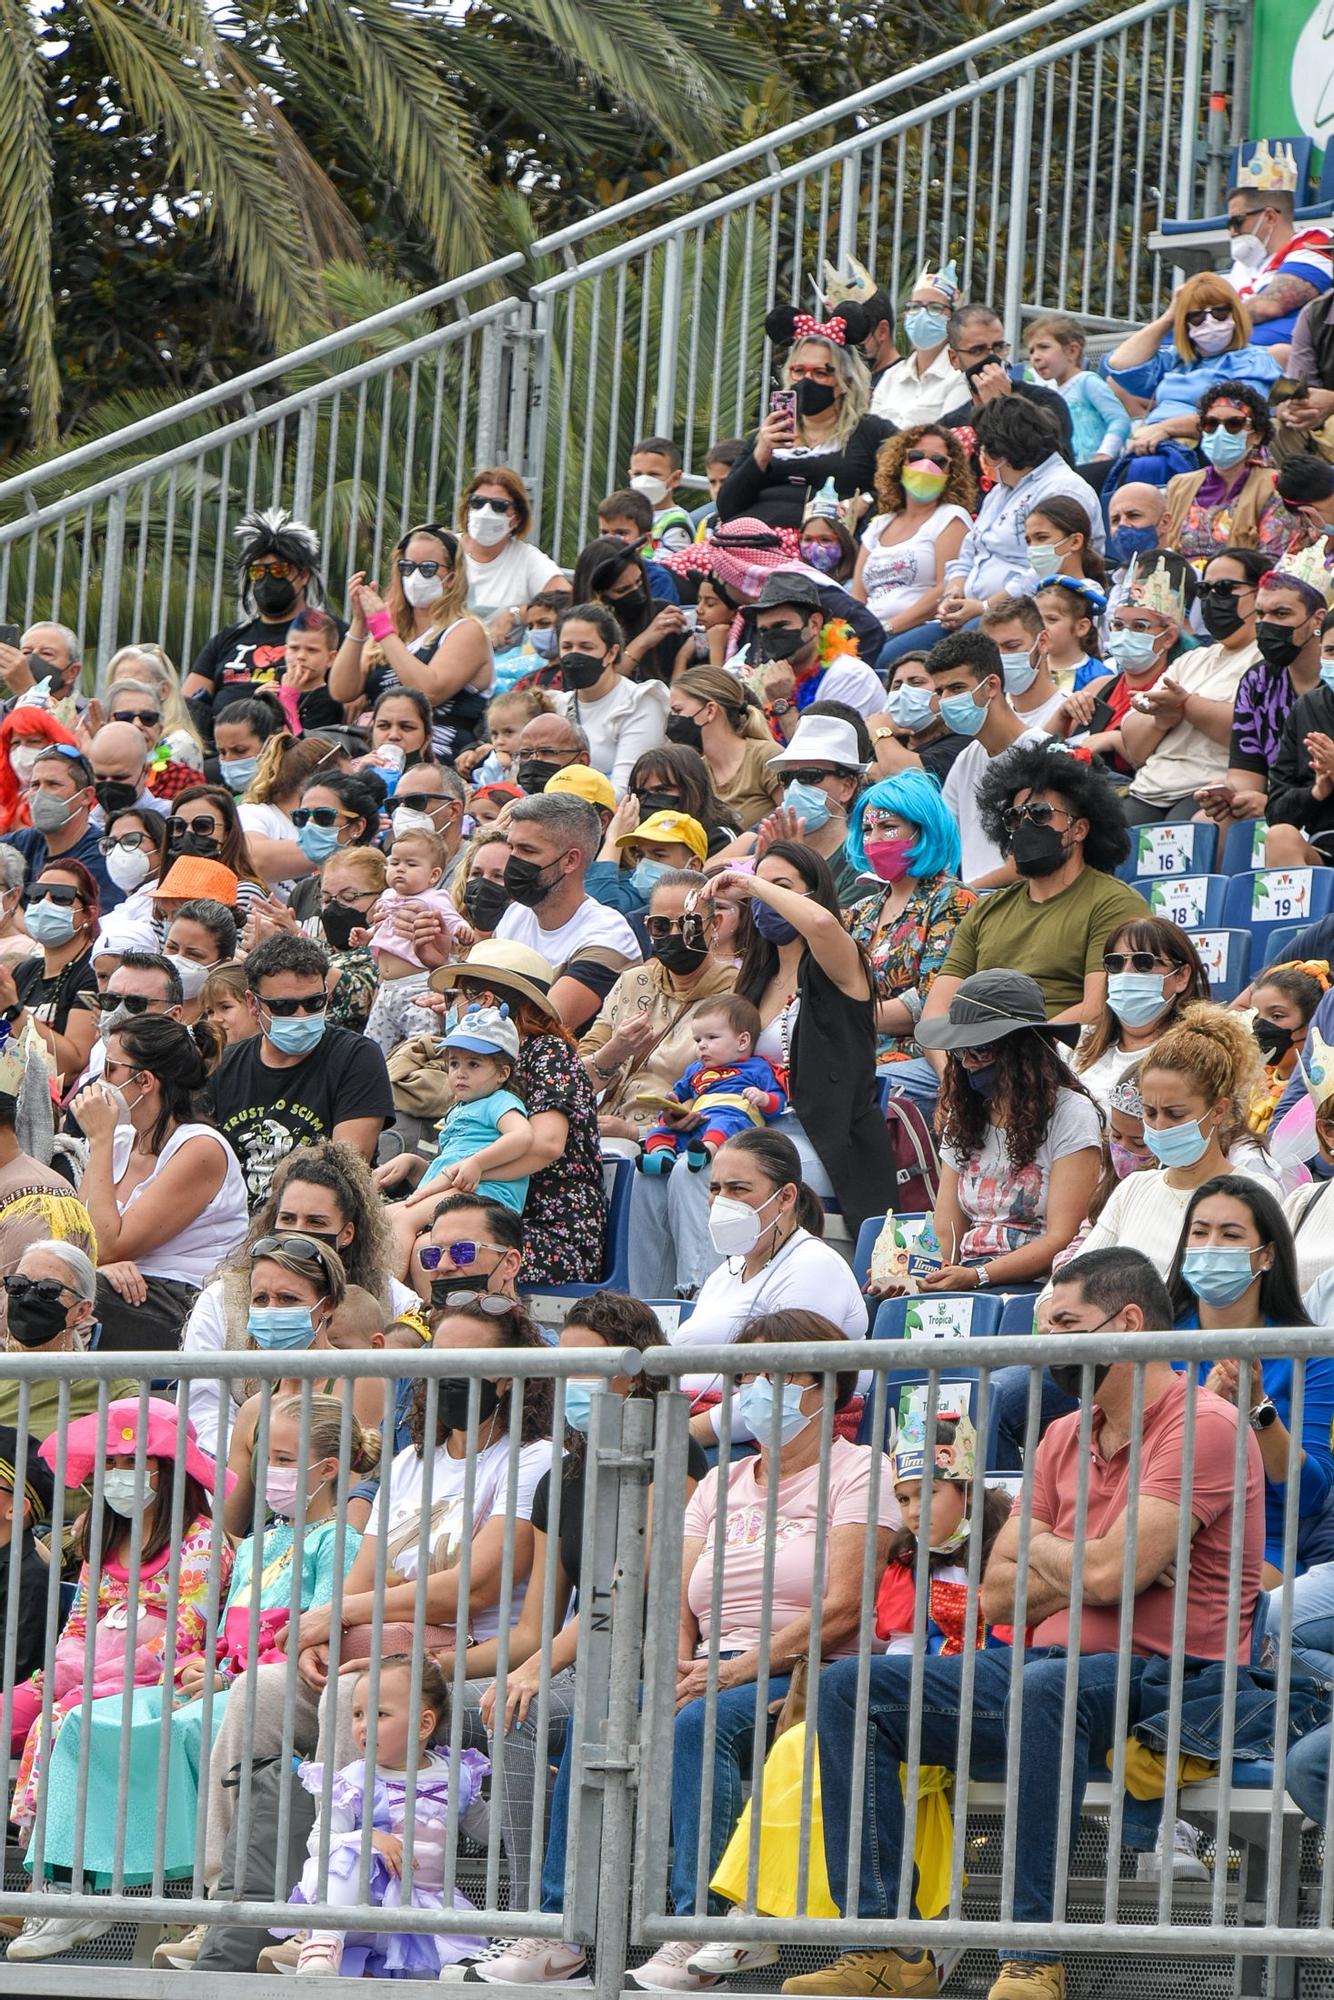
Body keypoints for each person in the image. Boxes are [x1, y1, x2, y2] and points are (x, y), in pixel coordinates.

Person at [794, 1245, 1263, 2000]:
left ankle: (1032, 1951)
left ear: (1129, 1323)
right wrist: (1093, 1563)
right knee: (854, 1688)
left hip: (1173, 1683)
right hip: (1045, 1672)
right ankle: (880, 1949)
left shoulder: (1201, 1425)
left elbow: (1101, 1575)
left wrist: (1060, 1562)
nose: (1045, 1345)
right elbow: (1000, 1596)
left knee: (1049, 1686)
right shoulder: (1060, 1436)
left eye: (1065, 1325)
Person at [626, 1312, 898, 1995]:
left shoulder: (862, 1470)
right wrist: (676, 1668)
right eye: (748, 1375)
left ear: (826, 1388)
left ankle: (699, 1924)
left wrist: (734, 1671)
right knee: (610, 1713)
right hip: (711, 1663)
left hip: (805, 1669)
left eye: (781, 1374)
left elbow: (842, 1607)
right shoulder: (720, 1482)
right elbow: (673, 1599)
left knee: (698, 1723)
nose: (758, 1389)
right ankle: (563, 1921)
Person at [470, 1293, 708, 1958]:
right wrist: (424, 1675)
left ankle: (542, 1922)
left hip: (642, 1657)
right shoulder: (562, 1475)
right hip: (581, 1657)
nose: (573, 1382)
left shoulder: (674, 1452)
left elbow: (633, 1588)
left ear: (632, 1371)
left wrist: (535, 1668)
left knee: (524, 1705)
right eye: (565, 1366)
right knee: (394, 1699)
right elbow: (532, 1625)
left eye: (589, 1366)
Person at [6, 1398, 234, 1963]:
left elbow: (184, 1634)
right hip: (87, 1678)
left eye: (133, 1462)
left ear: (169, 1469)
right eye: (109, 1464)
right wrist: (65, 1673)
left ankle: (70, 1891)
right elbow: (79, 1622)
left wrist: (97, 1679)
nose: (117, 1477)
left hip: (165, 1684)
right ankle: (52, 1884)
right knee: (35, 1714)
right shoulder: (102, 1543)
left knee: (64, 1724)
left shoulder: (206, 1543)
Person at [180, 1139, 417, 1456]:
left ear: (347, 1233)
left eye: (316, 1222)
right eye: (288, 1219)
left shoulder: (390, 1295)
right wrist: (254, 1459)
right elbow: (203, 1408)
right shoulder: (222, 1297)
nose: (298, 1232)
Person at [404, 941, 607, 1286]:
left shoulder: (548, 1052)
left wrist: (467, 1182)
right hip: (488, 1214)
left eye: (455, 996)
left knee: (432, 1248)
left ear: (483, 1001)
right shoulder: (474, 1066)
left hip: (550, 1228)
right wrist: (418, 1168)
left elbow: (547, 1146)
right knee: (423, 1239)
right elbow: (463, 1162)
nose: (448, 1006)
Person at [1168, 1175, 1334, 1581]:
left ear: (1267, 1255)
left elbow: (1309, 1496)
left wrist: (1257, 1411)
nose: (1210, 1246)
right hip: (1162, 1531)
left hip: (1261, 1543)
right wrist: (1203, 1411)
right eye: (1200, 1232)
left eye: (1230, 1235)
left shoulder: (1310, 1352)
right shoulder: (1151, 1343)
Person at [279, 1656, 486, 1978]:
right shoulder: (353, 1780)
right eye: (358, 1714)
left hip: (426, 1908)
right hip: (365, 1911)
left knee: (456, 1969)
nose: (362, 1726)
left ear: (423, 1725)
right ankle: (323, 1943)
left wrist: (527, 1784)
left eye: (379, 1714)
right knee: (349, 1852)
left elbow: (490, 1833)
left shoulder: (458, 1775)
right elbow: (318, 1842)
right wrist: (368, 1837)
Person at [926, 741, 1148, 1024]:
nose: (1025, 825)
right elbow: (935, 1014)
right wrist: (950, 1066)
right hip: (970, 1056)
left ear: (1078, 829)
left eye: (1041, 814)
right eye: (1015, 817)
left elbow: (1096, 1010)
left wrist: (1015, 1051)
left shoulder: (1114, 903)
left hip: (1057, 1056)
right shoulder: (986, 909)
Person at [914, 971, 1102, 1289]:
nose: (969, 1063)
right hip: (968, 1278)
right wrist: (916, 1277)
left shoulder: (1072, 1114)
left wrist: (979, 1275)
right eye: (960, 1051)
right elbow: (946, 1233)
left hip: (1037, 1285)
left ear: (1022, 1051)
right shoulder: (964, 1115)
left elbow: (1063, 1238)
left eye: (981, 1050)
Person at [70, 1012, 246, 1349]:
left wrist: (100, 1140)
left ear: (145, 1081)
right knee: (37, 1283)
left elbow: (106, 1247)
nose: (98, 1080)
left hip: (185, 1302)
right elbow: (77, 1240)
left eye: (110, 1069)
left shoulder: (201, 1148)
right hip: (117, 1288)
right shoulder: (121, 1140)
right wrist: (104, 1268)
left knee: (55, 1295)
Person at [1065, 1003, 1277, 1281]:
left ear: (1218, 1111)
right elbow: (1074, 1279)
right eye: (1149, 1112)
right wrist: (1048, 1303)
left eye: (1175, 1114)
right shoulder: (1133, 1189)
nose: (1159, 1126)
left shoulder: (1256, 1192)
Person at [208, 934, 393, 1208]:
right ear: (252, 1003)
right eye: (284, 1006)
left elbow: (348, 1164)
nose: (302, 1016)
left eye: (314, 1003)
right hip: (232, 1221)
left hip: (315, 1216)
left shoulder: (357, 1056)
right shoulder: (225, 1065)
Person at [580, 870, 737, 1150]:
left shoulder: (734, 995)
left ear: (716, 925)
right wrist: (613, 1053)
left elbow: (723, 1094)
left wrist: (635, 1132)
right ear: (648, 927)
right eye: (662, 927)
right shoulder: (633, 981)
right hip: (599, 1124)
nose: (676, 935)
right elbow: (577, 1075)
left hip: (666, 1142)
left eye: (689, 925)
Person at [842, 770, 975, 1097]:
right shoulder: (862, 910)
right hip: (854, 1055)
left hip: (921, 1057)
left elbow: (931, 1003)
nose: (873, 840)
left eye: (888, 827)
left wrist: (846, 1016)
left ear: (923, 830)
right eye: (868, 829)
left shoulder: (953, 900)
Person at [931, 401, 1104, 648]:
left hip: (1025, 612)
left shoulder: (1064, 489)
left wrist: (985, 606)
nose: (984, 460)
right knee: (894, 654)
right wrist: (954, 591)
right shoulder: (1000, 491)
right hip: (971, 609)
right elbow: (971, 548)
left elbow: (1050, 566)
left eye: (987, 451)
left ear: (1007, 451)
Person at [718, 302, 895, 530]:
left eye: (820, 373)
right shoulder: (767, 435)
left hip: (819, 547)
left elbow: (907, 480)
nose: (806, 381)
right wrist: (761, 452)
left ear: (844, 381)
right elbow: (727, 506)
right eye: (799, 371)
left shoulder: (870, 433)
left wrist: (866, 501)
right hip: (750, 539)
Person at [1113, 553, 1258, 825]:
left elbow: (1250, 733)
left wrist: (1186, 705)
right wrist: (1162, 719)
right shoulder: (1193, 659)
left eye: (1225, 588)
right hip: (1150, 788)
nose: (1214, 598)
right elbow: (1135, 749)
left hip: (1208, 789)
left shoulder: (1267, 658)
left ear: (1259, 593)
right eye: (1205, 590)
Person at [329, 523, 493, 761]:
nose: (415, 576)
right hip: (378, 752)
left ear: (451, 578)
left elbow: (427, 692)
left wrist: (383, 629)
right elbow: (342, 690)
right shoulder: (390, 633)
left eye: (427, 568)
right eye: (407, 567)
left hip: (440, 756)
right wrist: (360, 624)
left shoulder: (467, 630)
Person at [1102, 277, 1282, 488]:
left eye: (1219, 312)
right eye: (1196, 316)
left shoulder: (1254, 360)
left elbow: (1238, 416)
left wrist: (1165, 428)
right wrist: (1169, 317)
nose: (1210, 322)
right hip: (1152, 444)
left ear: (1236, 314)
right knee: (1087, 479)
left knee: (1142, 474)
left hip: (1206, 447)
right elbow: (1120, 363)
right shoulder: (1175, 360)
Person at [491, 794, 640, 1034]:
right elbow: (477, 985)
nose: (513, 861)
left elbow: (544, 1023)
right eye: (512, 848)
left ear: (570, 860)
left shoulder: (609, 935)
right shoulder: (515, 913)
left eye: (527, 850)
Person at [1218, 539, 1332, 829]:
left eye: (1281, 614)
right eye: (1260, 614)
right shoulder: (1257, 681)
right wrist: (1231, 796)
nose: (1266, 624)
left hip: (1321, 808)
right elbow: (1246, 772)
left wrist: (1268, 802)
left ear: (1317, 619)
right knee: (1211, 820)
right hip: (1281, 807)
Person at [926, 631, 1046, 888]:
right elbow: (942, 842)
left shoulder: (1041, 752)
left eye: (957, 688)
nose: (946, 700)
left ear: (991, 685)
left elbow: (1027, 861)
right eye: (940, 691)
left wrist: (961, 896)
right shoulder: (965, 760)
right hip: (976, 907)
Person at [183, 509, 329, 717]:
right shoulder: (228, 638)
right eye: (258, 571)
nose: (267, 579)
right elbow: (186, 705)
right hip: (220, 743)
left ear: (304, 575)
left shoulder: (327, 633)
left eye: (280, 570)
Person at [853, 426, 974, 670]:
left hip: (921, 629)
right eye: (916, 457)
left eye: (938, 461)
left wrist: (887, 628)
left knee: (875, 662)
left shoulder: (951, 518)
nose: (926, 466)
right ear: (900, 462)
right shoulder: (879, 525)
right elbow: (857, 596)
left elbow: (945, 586)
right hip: (871, 632)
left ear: (951, 472)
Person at [639, 994, 785, 1174]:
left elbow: (778, 1101)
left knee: (724, 1124)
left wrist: (763, 1098)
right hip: (698, 1120)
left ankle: (705, 1153)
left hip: (735, 1116)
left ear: (742, 1041)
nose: (701, 1045)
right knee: (659, 1130)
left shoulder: (758, 1067)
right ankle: (663, 1156)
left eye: (711, 1037)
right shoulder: (695, 1070)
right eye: (698, 1040)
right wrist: (669, 1110)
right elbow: (674, 1096)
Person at [1074, 918, 1211, 1109]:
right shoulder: (1078, 1043)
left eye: (1143, 963)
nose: (1126, 973)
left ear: (1181, 976)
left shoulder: (1199, 1055)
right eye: (1115, 963)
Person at [0, 1240, 132, 1439]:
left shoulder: (107, 1385)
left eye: (48, 1290)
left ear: (81, 1311)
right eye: (18, 1284)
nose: (27, 1298)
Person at [409, 1003, 533, 1212]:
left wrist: (478, 1164)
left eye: (473, 1064)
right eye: (454, 1064)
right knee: (387, 1217)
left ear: (503, 1073)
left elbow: (522, 1136)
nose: (460, 1073)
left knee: (402, 1220)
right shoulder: (459, 1109)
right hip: (456, 1191)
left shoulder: (499, 1101)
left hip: (484, 1194)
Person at [360, 828, 466, 1057]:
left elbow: (451, 920)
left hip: (417, 986)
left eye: (411, 864)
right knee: (372, 1047)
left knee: (421, 1046)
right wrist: (366, 936)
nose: (400, 869)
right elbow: (383, 929)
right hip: (387, 988)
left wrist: (461, 931)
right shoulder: (387, 896)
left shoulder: (433, 898)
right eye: (395, 862)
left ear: (434, 875)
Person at [546, 601, 669, 793]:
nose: (574, 654)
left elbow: (625, 788)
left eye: (586, 647)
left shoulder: (639, 702)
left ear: (612, 653)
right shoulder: (557, 704)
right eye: (567, 647)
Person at [1162, 382, 1291, 561]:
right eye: (1211, 423)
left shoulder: (1274, 486)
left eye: (1234, 424)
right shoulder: (1179, 485)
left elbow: (1272, 559)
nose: (1220, 432)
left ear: (1257, 435)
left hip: (1244, 585)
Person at [1, 857, 100, 1086]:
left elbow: (72, 1065)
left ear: (89, 914)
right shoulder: (26, 970)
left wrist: (15, 1010)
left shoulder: (92, 973)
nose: (45, 903)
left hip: (53, 1108)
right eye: (37, 894)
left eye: (61, 897)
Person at [1225, 150, 1333, 350]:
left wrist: (1208, 325)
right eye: (1228, 223)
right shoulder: (1240, 268)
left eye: (1237, 221)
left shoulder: (1314, 239)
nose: (1231, 232)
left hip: (1288, 363)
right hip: (1237, 354)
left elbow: (1268, 306)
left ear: (1270, 217)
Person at [750, 572, 890, 725]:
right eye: (764, 631)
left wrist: (783, 704)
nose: (773, 637)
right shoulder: (769, 681)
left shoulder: (849, 676)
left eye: (781, 626)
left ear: (814, 624)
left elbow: (822, 748)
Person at [936, 305, 1074, 453]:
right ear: (954, 358)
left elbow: (1056, 463)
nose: (992, 357)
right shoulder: (951, 425)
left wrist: (1001, 407)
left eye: (998, 347)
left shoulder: (1045, 402)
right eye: (978, 350)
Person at [1, 743, 119, 909]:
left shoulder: (102, 856)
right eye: (35, 785)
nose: (40, 794)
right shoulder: (26, 841)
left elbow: (58, 930)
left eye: (53, 784)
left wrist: (7, 906)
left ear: (86, 796)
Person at [665, 667, 781, 830]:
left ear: (710, 711)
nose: (672, 719)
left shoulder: (765, 757)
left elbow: (794, 826)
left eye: (678, 710)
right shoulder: (695, 773)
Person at [458, 467, 563, 644]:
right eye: (477, 502)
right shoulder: (445, 549)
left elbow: (566, 601)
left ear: (516, 518)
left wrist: (515, 614)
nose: (485, 512)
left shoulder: (527, 559)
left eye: (499, 506)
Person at [571, 537, 686, 686]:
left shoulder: (662, 617)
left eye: (639, 582)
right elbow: (597, 687)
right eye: (622, 590)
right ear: (597, 596)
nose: (636, 594)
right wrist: (643, 642)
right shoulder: (577, 629)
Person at [1024, 314, 1131, 463]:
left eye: (1043, 347)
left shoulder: (1087, 381)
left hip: (1095, 468)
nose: (1035, 357)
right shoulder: (1047, 393)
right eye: (1031, 351)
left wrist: (1105, 454)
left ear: (1072, 351)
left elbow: (1119, 419)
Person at [869, 260, 964, 428]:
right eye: (915, 307)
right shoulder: (891, 377)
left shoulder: (959, 377)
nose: (922, 315)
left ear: (953, 317)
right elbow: (868, 434)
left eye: (935, 308)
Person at [166, 779, 267, 913]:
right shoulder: (164, 890)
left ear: (227, 832)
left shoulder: (242, 892)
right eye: (179, 826)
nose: (188, 833)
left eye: (202, 826)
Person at [103, 644, 206, 773]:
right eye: (120, 686)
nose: (128, 693)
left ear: (163, 690)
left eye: (137, 684)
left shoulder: (179, 743)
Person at [872, 652, 969, 784]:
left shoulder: (962, 741)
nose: (903, 692)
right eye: (897, 686)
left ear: (942, 692)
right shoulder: (891, 739)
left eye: (916, 682)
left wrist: (880, 731)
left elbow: (899, 772)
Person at [163, 900, 236, 1023]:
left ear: (223, 964)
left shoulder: (226, 1023)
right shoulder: (140, 1002)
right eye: (172, 948)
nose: (177, 959)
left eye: (193, 954)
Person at [88, 720, 168, 824]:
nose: (108, 785)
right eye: (100, 777)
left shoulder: (168, 820)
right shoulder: (88, 824)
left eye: (119, 778)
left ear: (146, 772)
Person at [627, 436, 695, 556]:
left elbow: (668, 569)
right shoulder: (626, 515)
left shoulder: (677, 522)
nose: (644, 481)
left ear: (675, 478)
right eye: (637, 474)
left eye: (653, 474)